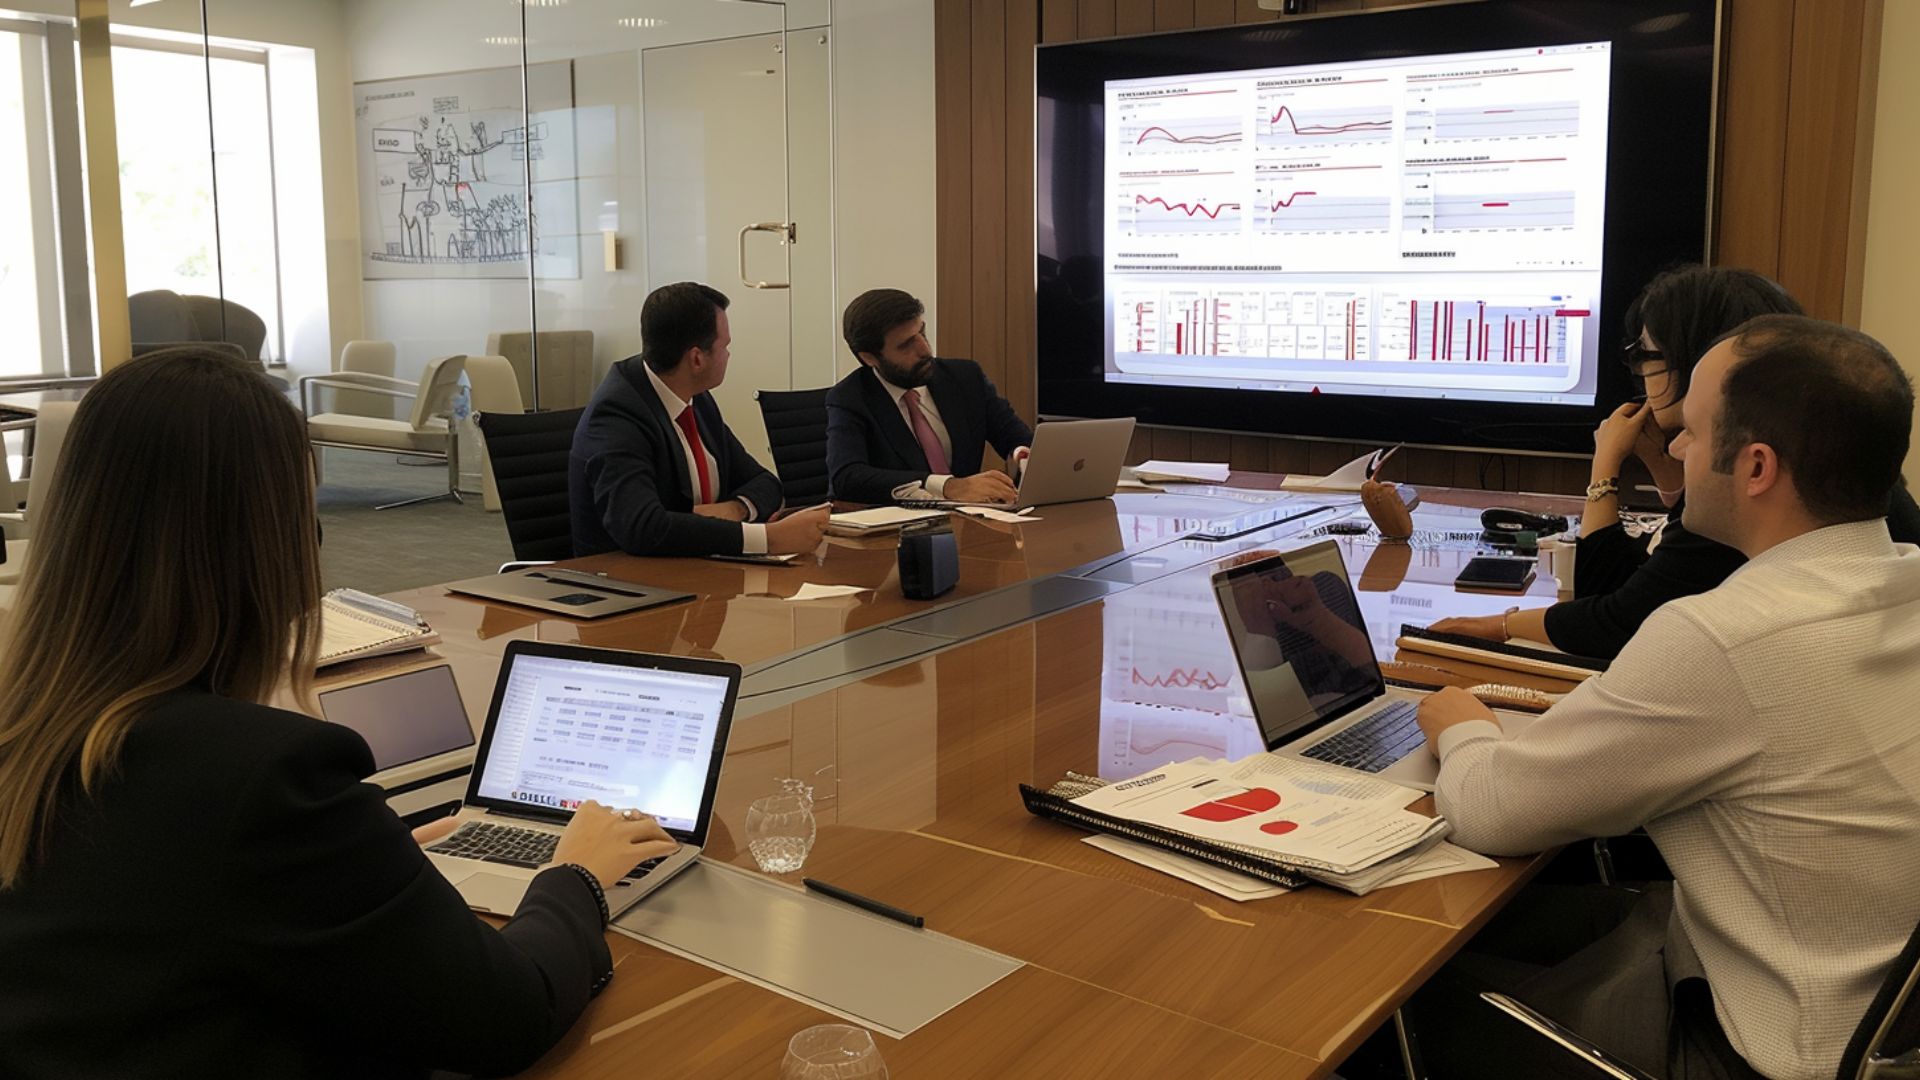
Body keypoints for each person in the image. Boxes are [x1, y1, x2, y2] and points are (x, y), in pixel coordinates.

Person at [0, 348, 680, 1078]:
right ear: (272, 547)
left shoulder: (35, 728)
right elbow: (510, 1015)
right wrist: (574, 874)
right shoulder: (261, 776)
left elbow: (168, 902)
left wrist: (362, 877)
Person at [1412, 315, 1920, 1080]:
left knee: (1385, 998)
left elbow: (1487, 810)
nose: (1675, 447)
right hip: (1855, 1004)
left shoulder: (1726, 638)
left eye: (1692, 431)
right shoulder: (1901, 582)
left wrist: (1463, 726)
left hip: (1759, 1043)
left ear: (1755, 467)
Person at [1430, 266, 1829, 658]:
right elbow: (1657, 577)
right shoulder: (1803, 456)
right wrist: (1666, 470)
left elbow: (1614, 617)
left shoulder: (1745, 491)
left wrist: (1605, 465)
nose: (1639, 372)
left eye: (1644, 355)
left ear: (1699, 361)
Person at [571, 281, 829, 557]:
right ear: (697, 359)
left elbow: (765, 483)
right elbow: (642, 527)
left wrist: (735, 509)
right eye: (725, 346)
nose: (728, 354)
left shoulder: (696, 398)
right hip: (625, 574)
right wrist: (767, 539)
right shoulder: (615, 417)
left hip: (698, 567)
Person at [825, 288, 1034, 505]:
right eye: (906, 345)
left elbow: (1016, 437)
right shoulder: (849, 398)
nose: (925, 350)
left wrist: (1022, 455)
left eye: (922, 333)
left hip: (970, 517)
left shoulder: (965, 377)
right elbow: (847, 477)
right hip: (896, 522)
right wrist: (947, 486)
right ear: (870, 358)